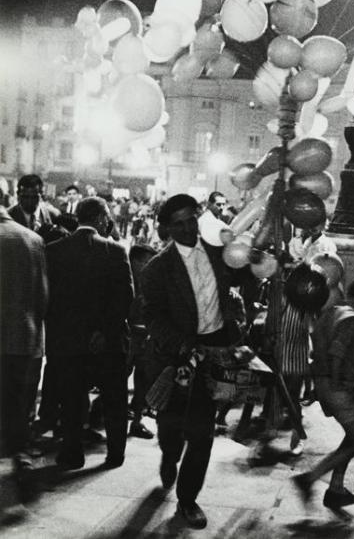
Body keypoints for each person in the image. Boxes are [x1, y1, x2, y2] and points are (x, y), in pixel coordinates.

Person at [142, 194, 244, 530]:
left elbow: (245, 280)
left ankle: (187, 500)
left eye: (191, 220)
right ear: (167, 228)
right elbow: (154, 319)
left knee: (202, 432)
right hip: (177, 357)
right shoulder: (158, 268)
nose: (187, 228)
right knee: (171, 426)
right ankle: (169, 455)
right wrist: (183, 345)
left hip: (215, 350)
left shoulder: (219, 255)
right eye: (179, 223)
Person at [45, 197, 134, 470]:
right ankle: (115, 454)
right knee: (115, 401)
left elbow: (50, 299)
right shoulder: (115, 250)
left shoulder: (54, 250)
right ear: (100, 218)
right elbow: (126, 298)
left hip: (69, 342)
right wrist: (104, 331)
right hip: (107, 343)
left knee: (72, 400)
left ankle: (72, 453)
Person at [292, 276, 354, 512]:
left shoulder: (332, 311)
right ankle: (310, 479)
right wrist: (338, 383)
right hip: (337, 385)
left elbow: (317, 348)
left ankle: (336, 490)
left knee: (352, 437)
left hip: (323, 382)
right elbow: (337, 352)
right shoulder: (352, 319)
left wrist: (317, 387)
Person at [0, 193, 48, 495]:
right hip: (22, 336)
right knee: (18, 401)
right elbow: (43, 296)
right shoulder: (31, 239)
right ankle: (21, 456)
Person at [127, 244, 157, 439]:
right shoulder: (124, 281)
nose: (149, 266)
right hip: (126, 339)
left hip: (144, 341)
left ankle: (136, 422)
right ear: (135, 261)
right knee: (115, 380)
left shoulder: (149, 284)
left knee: (142, 382)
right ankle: (98, 416)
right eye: (146, 261)